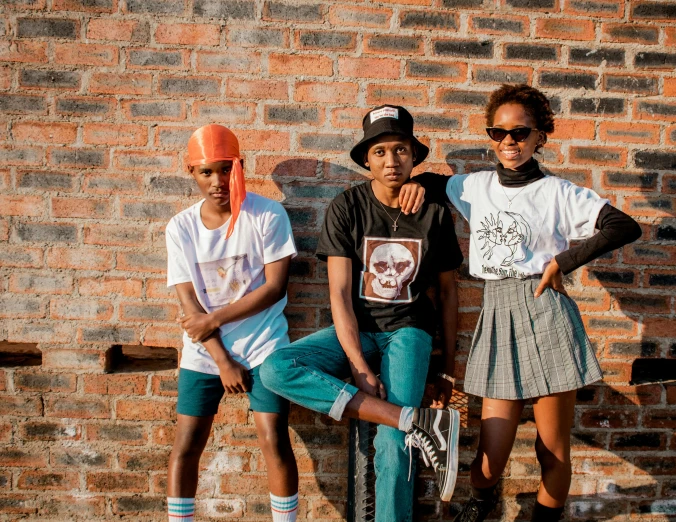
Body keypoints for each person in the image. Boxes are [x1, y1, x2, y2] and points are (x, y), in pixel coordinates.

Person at [413, 84, 642, 522]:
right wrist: (416, 188)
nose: (509, 142)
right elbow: (429, 182)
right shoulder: (474, 187)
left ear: (540, 137)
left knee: (551, 448)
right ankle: (484, 504)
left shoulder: (558, 192)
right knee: (488, 458)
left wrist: (563, 261)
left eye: (520, 133)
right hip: (497, 314)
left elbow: (622, 226)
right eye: (498, 134)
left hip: (545, 310)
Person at [260, 105, 464, 520]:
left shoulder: (435, 212)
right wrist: (357, 365)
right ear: (367, 160)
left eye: (401, 150)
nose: (392, 161)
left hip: (409, 329)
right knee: (276, 369)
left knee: (393, 444)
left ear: (413, 155)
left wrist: (447, 366)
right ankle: (416, 420)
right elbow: (338, 293)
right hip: (357, 325)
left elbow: (447, 293)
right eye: (381, 152)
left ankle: (406, 427)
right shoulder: (347, 207)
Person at [165, 124, 300, 522]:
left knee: (273, 439)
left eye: (226, 169)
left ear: (240, 167)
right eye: (206, 171)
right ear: (192, 173)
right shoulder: (181, 227)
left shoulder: (267, 215)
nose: (218, 180)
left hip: (263, 347)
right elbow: (188, 304)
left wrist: (216, 319)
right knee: (187, 444)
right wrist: (222, 359)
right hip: (205, 354)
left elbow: (275, 288)